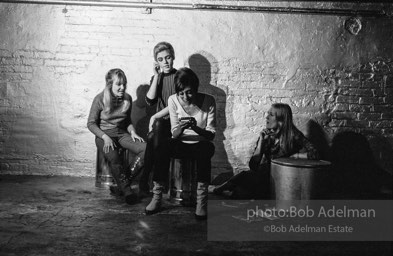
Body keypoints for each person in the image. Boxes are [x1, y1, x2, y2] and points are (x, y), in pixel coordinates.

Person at [145, 67, 216, 220]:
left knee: (207, 149)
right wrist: (182, 127)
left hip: (200, 144)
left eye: (189, 92)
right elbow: (174, 132)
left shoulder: (209, 101)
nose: (185, 96)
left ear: (196, 89)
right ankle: (157, 197)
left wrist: (195, 127)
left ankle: (201, 202)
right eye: (181, 93)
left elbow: (210, 135)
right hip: (180, 141)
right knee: (162, 147)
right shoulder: (173, 100)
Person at [210, 103, 319, 199]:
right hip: (264, 176)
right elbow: (253, 166)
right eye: (268, 114)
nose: (266, 117)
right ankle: (221, 189)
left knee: (244, 185)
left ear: (281, 120)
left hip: (283, 179)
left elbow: (315, 153)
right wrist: (261, 142)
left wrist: (296, 156)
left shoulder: (293, 135)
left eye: (271, 115)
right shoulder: (267, 135)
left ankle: (218, 189)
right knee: (241, 189)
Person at [87, 68, 146, 204]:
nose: (122, 87)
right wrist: (104, 137)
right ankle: (127, 192)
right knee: (115, 157)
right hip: (104, 135)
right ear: (110, 85)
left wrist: (132, 132)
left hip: (121, 133)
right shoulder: (100, 99)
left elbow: (127, 121)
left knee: (146, 149)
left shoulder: (127, 98)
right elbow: (91, 123)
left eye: (124, 84)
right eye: (118, 84)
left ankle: (121, 184)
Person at [139, 42, 177, 195]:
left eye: (168, 58)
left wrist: (155, 116)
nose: (165, 62)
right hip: (160, 125)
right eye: (160, 59)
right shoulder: (157, 78)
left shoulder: (180, 76)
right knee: (155, 135)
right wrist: (156, 76)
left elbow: (178, 104)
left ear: (173, 57)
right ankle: (156, 182)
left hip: (176, 122)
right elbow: (150, 101)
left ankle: (144, 180)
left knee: (155, 133)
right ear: (157, 62)